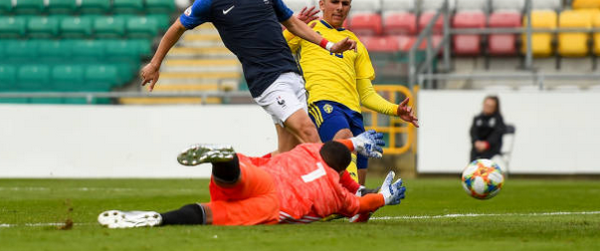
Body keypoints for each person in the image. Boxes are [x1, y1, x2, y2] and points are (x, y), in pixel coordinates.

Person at [140, 0, 357, 155]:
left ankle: (237, 173)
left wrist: (330, 46)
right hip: (267, 81)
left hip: (292, 75)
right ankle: (344, 190)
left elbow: (292, 23)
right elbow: (177, 28)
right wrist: (155, 64)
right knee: (309, 132)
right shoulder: (212, 2)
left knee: (288, 152)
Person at [98, 130, 406, 228]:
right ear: (342, 171)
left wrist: (354, 143)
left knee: (233, 179)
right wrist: (383, 198)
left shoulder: (307, 150)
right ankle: (160, 220)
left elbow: (337, 149)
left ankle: (223, 159)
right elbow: (358, 205)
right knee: (211, 214)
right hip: (275, 205)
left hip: (268, 178)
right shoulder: (336, 195)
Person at [284, 0, 419, 186]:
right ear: (322, 4)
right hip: (323, 104)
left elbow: (366, 94)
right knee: (344, 139)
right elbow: (276, 49)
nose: (340, 7)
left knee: (360, 199)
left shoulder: (357, 45)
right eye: (334, 1)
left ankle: (349, 204)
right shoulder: (307, 30)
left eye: (345, 3)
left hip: (353, 113)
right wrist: (291, 26)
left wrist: (395, 110)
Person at [470, 95, 506, 163]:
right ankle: (473, 171)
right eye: (486, 105)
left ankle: (484, 172)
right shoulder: (478, 118)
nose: (487, 108)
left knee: (484, 158)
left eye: (490, 106)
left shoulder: (498, 119)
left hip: (492, 147)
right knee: (474, 153)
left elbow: (497, 134)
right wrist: (476, 142)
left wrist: (487, 144)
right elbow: (473, 132)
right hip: (478, 146)